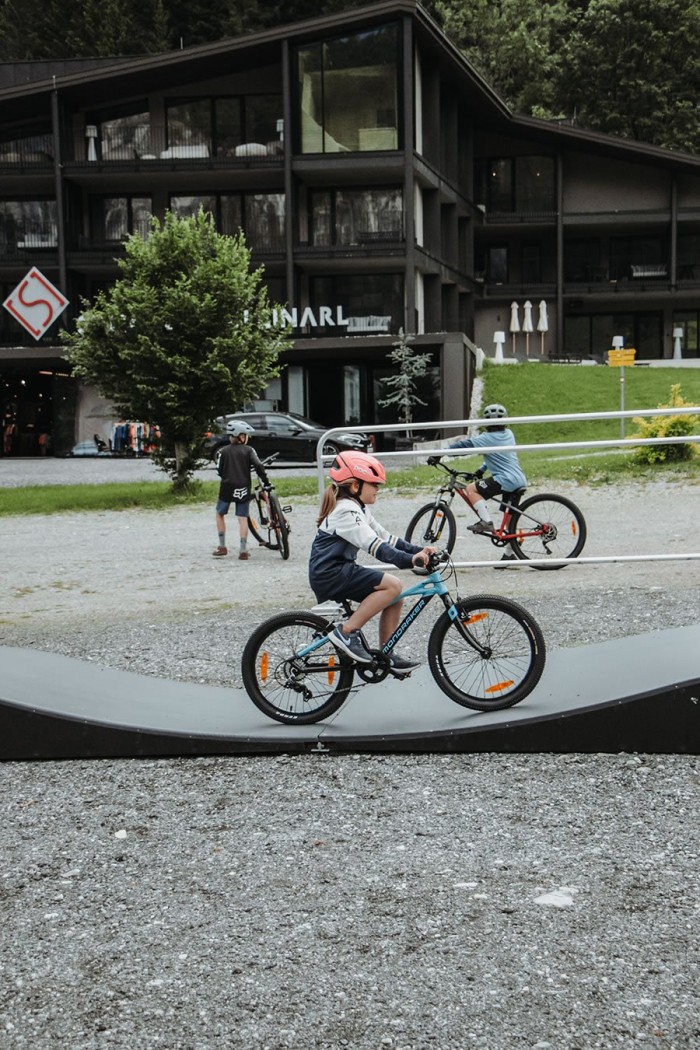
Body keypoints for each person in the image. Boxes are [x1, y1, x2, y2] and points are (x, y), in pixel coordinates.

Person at [309, 450, 436, 672]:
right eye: (374, 484)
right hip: (331, 574)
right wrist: (411, 560)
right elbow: (378, 549)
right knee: (393, 585)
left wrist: (419, 550)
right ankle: (347, 633)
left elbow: (388, 539)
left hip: (341, 570)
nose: (378, 488)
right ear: (355, 486)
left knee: (395, 596)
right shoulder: (346, 511)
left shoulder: (359, 508)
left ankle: (387, 654)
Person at [428, 403, 527, 567]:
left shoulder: (486, 439)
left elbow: (463, 446)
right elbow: (498, 454)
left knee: (471, 488)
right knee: (509, 519)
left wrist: (440, 453)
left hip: (505, 480)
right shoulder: (508, 434)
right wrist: (481, 470)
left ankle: (486, 522)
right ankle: (509, 554)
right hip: (518, 478)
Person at [213, 419, 269, 560]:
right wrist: (265, 480)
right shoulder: (249, 450)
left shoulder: (222, 451)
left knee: (220, 514)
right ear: (240, 436)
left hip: (226, 487)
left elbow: (219, 470)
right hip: (243, 487)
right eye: (246, 435)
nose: (247, 437)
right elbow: (258, 465)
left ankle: (222, 546)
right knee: (242, 518)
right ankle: (243, 550)